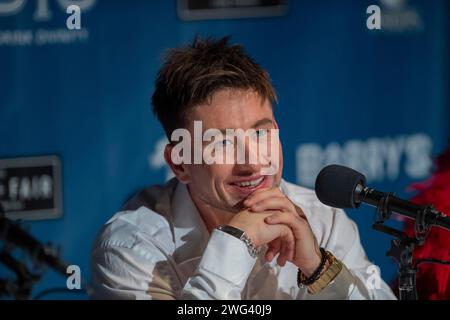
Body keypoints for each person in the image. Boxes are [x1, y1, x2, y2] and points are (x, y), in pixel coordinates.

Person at [91, 36, 396, 300]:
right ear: (179, 163)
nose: (251, 163)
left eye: (261, 134)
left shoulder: (320, 217)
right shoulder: (131, 246)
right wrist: (236, 245)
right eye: (222, 143)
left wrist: (318, 269)